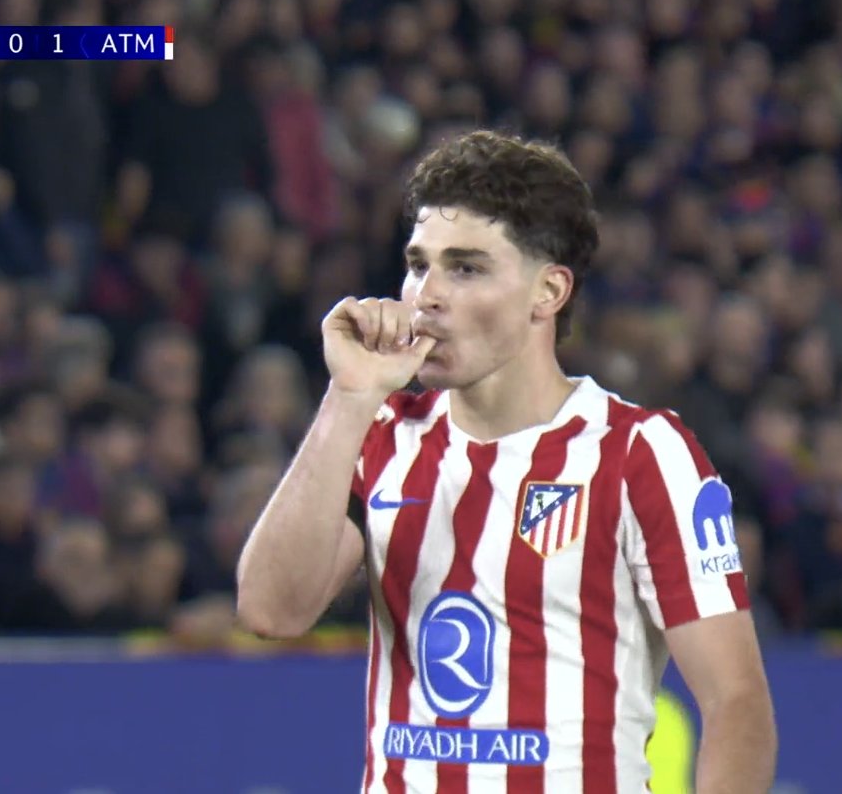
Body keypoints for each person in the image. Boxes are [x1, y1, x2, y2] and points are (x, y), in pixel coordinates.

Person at [236, 130, 777, 793]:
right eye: (418, 265)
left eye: (465, 268)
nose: (426, 295)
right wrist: (347, 398)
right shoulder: (382, 435)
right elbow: (271, 610)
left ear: (548, 292)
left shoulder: (639, 453)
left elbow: (736, 702)